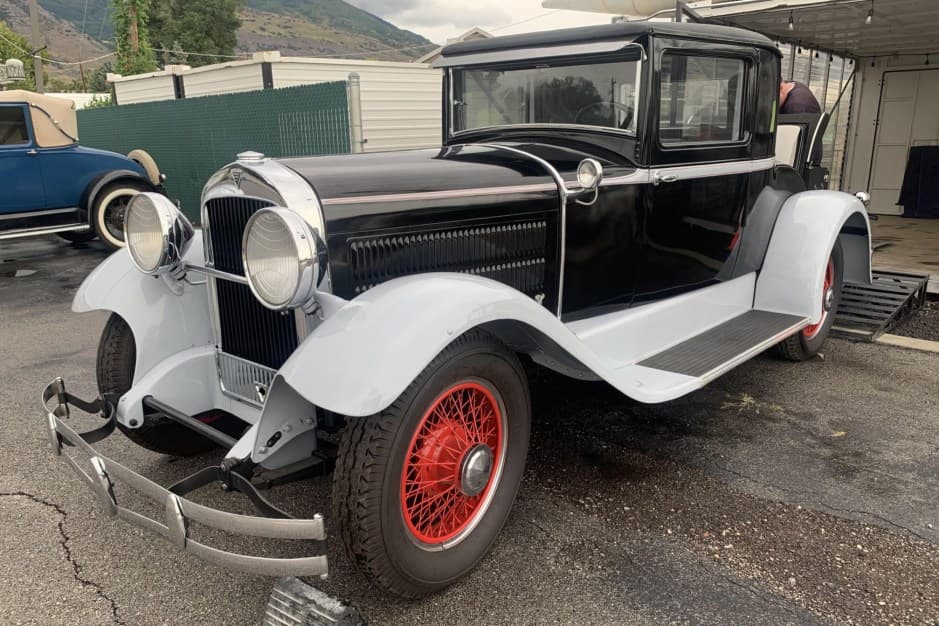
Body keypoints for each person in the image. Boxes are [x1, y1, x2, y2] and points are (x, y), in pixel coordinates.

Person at [779, 80, 823, 163]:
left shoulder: (796, 106)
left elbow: (792, 147)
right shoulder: (791, 84)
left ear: (780, 88)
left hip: (802, 161)